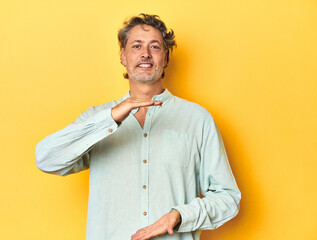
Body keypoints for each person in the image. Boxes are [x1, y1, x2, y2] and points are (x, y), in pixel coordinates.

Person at [35, 13, 241, 240]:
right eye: (136, 46)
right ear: (123, 56)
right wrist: (110, 119)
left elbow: (227, 198)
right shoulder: (96, 118)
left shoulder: (197, 119)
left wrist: (180, 215)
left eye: (155, 46)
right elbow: (46, 158)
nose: (145, 54)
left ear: (165, 58)